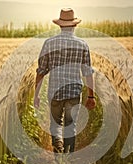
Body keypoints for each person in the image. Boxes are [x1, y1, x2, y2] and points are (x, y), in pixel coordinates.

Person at [34, 8, 96, 154]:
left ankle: (58, 150)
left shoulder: (49, 43)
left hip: (55, 91)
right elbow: (88, 73)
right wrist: (91, 96)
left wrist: (36, 94)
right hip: (74, 92)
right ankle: (68, 159)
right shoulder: (82, 45)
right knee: (71, 125)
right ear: (74, 25)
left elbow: (41, 71)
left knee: (55, 124)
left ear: (60, 25)